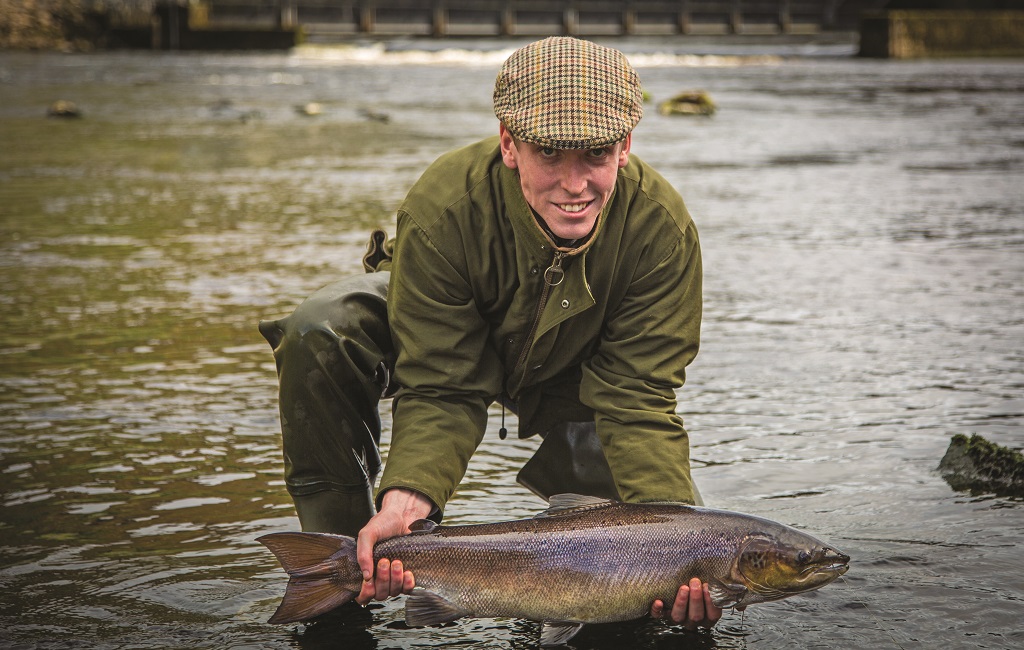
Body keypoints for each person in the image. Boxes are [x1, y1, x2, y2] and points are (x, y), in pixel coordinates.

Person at [259, 36, 719, 630]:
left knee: (637, 603)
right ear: (509, 143)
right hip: (444, 347)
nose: (574, 184)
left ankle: (586, 595)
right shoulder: (444, 205)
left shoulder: (662, 232)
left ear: (625, 146)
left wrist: (682, 545)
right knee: (320, 330)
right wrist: (408, 498)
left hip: (580, 377)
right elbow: (443, 384)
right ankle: (348, 562)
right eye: (550, 154)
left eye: (596, 155)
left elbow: (638, 399)